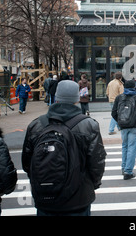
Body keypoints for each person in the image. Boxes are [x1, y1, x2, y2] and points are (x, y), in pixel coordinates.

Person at [22, 80, 106, 216]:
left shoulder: (36, 125)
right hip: (78, 198)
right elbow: (97, 162)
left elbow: (27, 162)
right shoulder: (88, 125)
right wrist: (92, 185)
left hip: (45, 198)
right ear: (77, 99)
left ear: (56, 97)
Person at [112, 80, 136, 180]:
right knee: (132, 148)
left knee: (125, 147)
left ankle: (124, 168)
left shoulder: (119, 98)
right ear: (134, 87)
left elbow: (113, 112)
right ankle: (128, 171)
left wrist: (119, 122)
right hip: (134, 127)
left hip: (123, 126)